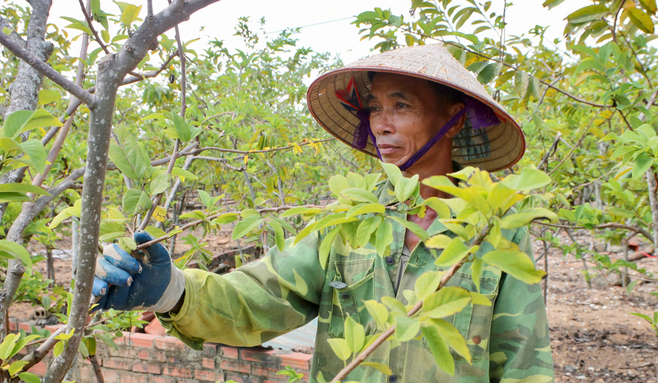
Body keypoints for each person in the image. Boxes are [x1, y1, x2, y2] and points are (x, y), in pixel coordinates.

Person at [93, 44, 554, 383]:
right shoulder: (352, 221)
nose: (381, 123)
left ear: (453, 119)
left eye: (402, 105)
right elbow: (258, 298)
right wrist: (171, 291)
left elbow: (522, 362)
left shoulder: (495, 232)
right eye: (375, 108)